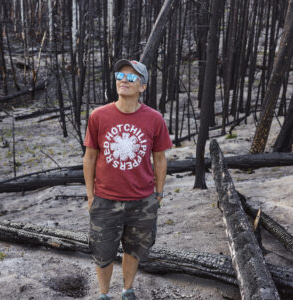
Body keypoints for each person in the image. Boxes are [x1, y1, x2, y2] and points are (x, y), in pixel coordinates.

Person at [83, 59, 172, 300]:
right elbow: (90, 157)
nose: (124, 80)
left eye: (132, 77)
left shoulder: (154, 119)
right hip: (105, 200)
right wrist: (91, 196)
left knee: (134, 249)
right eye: (120, 76)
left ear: (142, 87)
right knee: (103, 252)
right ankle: (103, 294)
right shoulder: (99, 116)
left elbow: (160, 159)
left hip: (142, 200)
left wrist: (159, 194)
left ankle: (127, 290)